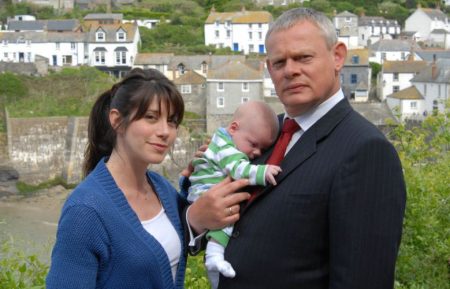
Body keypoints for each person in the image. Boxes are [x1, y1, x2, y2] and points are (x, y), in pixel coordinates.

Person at [213, 8, 407, 289]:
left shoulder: (367, 151)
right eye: (279, 62)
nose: (290, 70)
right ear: (269, 69)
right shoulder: (261, 136)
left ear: (338, 56)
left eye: (303, 57)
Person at [45, 68, 250, 289]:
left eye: (172, 121)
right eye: (151, 117)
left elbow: (181, 237)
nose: (165, 131)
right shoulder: (85, 211)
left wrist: (202, 186)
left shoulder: (162, 188)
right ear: (117, 120)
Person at [187, 100, 281, 288]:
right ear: (233, 128)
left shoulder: (227, 140)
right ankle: (214, 256)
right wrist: (264, 171)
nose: (255, 153)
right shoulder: (226, 147)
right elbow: (238, 168)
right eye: (253, 144)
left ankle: (214, 258)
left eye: (262, 150)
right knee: (227, 212)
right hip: (204, 192)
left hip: (202, 189)